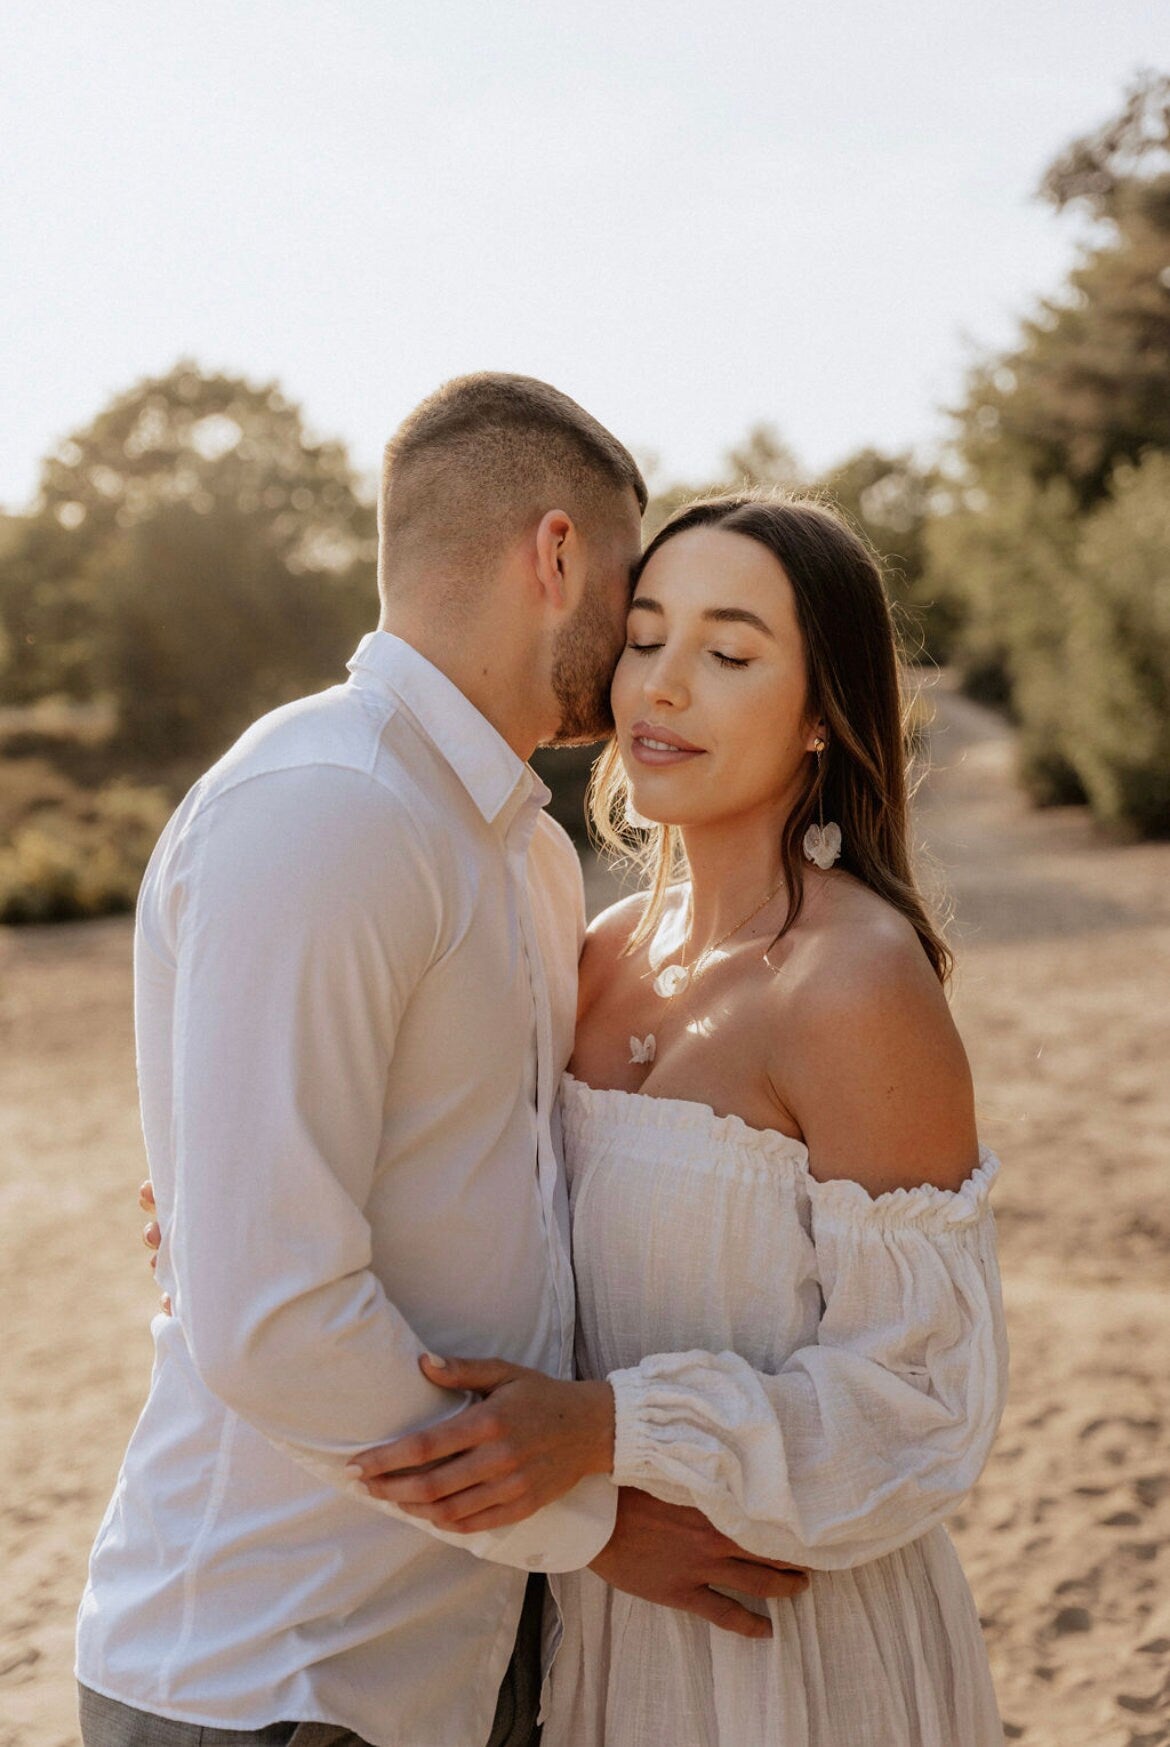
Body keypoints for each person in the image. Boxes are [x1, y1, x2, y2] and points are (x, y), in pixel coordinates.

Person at [78, 380, 811, 1747]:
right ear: (554, 556)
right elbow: (274, 1315)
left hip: (453, 1655)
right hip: (280, 1669)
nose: (648, 658)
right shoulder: (327, 809)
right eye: (634, 597)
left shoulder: (525, 848)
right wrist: (588, 1523)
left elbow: (499, 1189)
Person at [348, 495, 1010, 1746]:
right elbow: (463, 1182)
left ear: (822, 711)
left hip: (804, 1649)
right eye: (646, 637)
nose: (663, 686)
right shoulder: (589, 955)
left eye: (730, 651)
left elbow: (924, 1404)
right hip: (599, 1622)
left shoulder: (856, 982)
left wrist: (607, 1428)